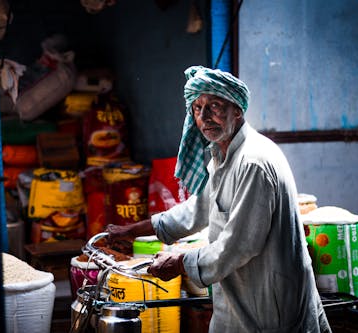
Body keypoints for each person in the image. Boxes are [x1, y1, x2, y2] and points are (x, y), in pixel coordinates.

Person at [105, 65, 331, 333]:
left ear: (237, 110)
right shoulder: (223, 156)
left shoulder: (253, 162)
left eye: (214, 106)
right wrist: (134, 230)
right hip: (240, 299)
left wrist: (180, 262)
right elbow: (197, 209)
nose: (204, 117)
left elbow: (238, 246)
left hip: (271, 304)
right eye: (197, 108)